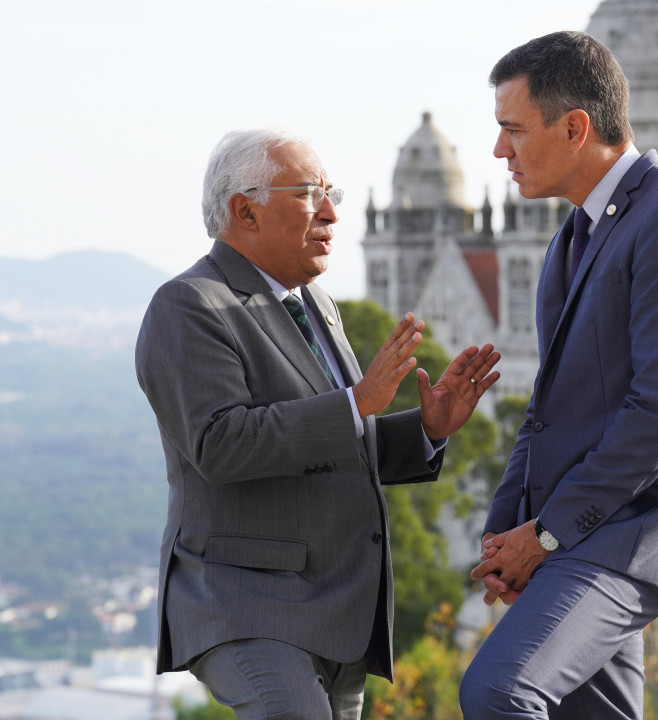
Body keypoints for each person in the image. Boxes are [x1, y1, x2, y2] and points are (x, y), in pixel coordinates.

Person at [135, 128, 500, 720]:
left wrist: (428, 428)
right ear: (245, 210)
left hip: (339, 614)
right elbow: (221, 444)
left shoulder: (317, 305)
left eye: (332, 192)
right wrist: (357, 401)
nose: (331, 212)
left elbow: (338, 445)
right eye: (309, 193)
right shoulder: (190, 305)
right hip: (249, 604)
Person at [460, 30, 658, 720]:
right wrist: (507, 532)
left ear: (576, 127)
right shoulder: (571, 239)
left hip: (634, 532)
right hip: (576, 533)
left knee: (499, 691)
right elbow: (548, 410)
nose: (500, 152)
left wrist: (546, 534)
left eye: (513, 130)